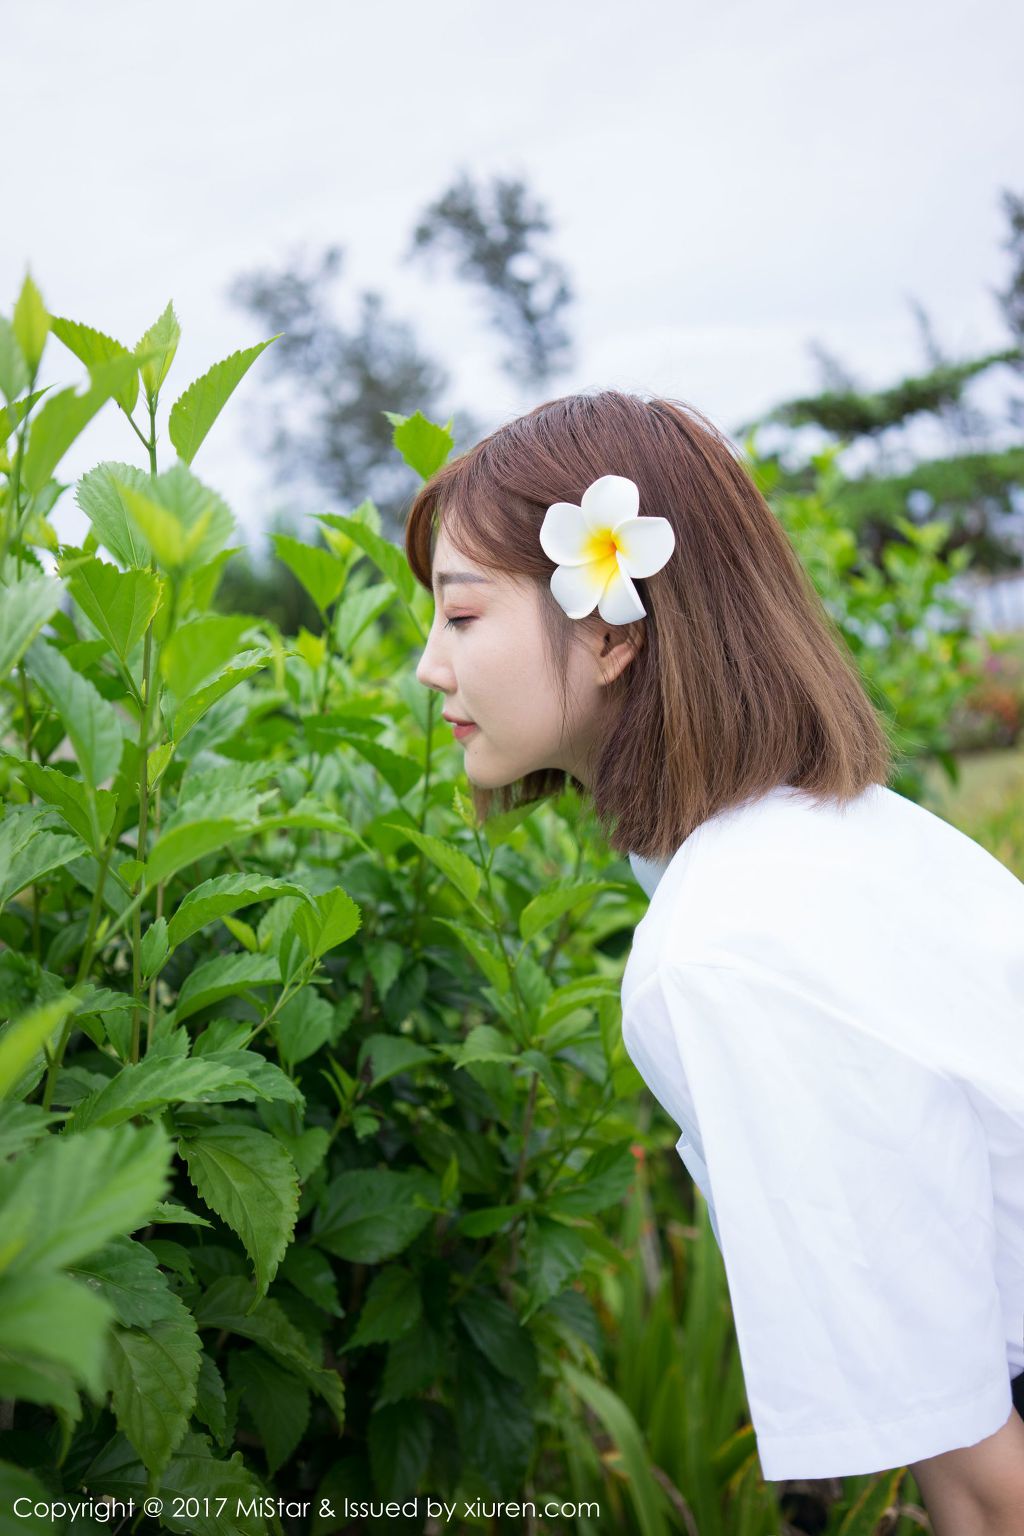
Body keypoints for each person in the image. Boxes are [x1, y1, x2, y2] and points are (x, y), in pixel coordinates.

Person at [408, 389, 1024, 1530]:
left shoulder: (723, 948)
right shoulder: (833, 837)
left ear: (609, 631)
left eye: (460, 615)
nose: (428, 667)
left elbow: (988, 1489)